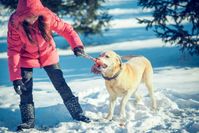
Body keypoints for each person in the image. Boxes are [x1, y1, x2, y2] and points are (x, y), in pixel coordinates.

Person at [7, 0, 90, 131]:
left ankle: (78, 113)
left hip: (48, 54)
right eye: (28, 16)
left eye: (35, 15)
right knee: (25, 88)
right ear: (21, 16)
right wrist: (16, 78)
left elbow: (66, 29)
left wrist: (77, 45)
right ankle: (28, 121)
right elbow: (13, 50)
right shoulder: (15, 23)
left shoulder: (47, 16)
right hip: (25, 58)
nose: (32, 19)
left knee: (61, 84)